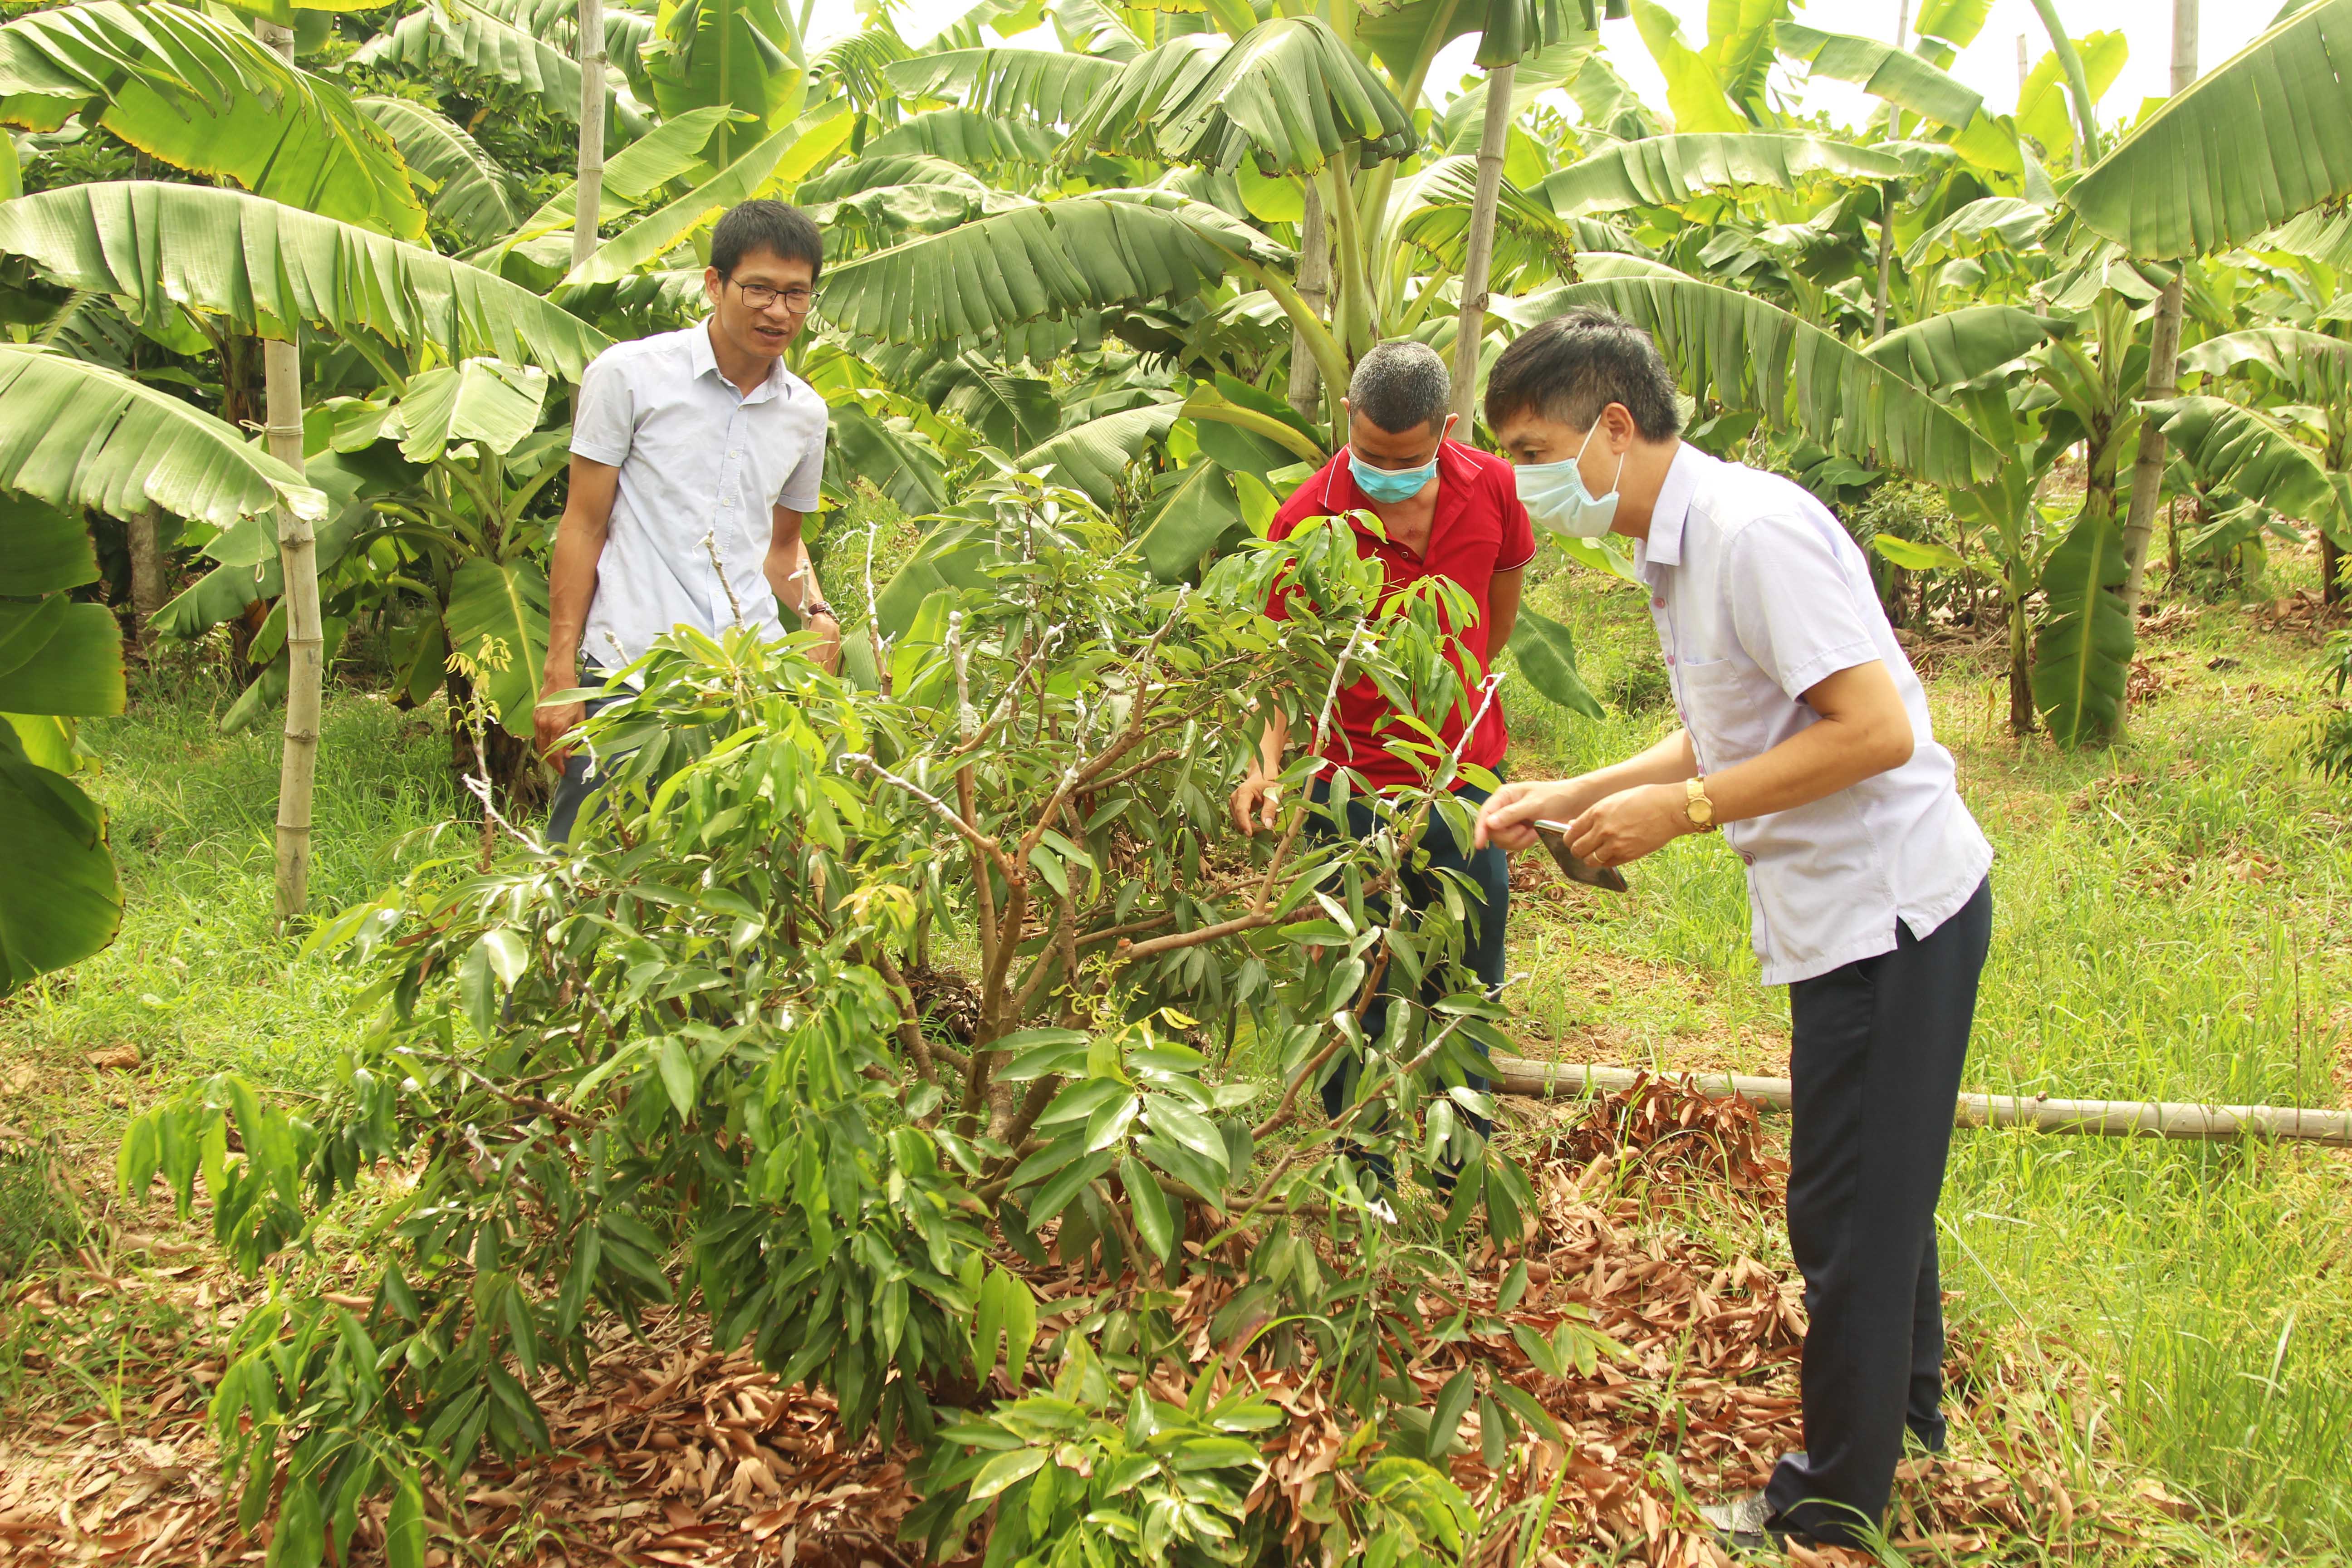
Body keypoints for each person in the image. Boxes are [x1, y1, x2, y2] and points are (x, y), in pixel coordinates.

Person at [1471, 310, 1994, 1550]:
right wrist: (1584, 789)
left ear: (1612, 428)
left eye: (1537, 447)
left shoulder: (1751, 536)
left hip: (1893, 912)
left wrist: (1685, 813)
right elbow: (1736, 723)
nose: (1531, 482)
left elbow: (1876, 731)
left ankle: (1831, 1500)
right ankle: (1909, 1418)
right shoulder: (1677, 545)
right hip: (1846, 914)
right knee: (1879, 1185)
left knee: (1849, 1211)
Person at [1230, 340, 1534, 1171]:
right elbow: (1286, 669)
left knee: (1468, 968)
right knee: (1354, 972)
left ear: (1448, 429)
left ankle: (1458, 1159)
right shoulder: (1306, 519)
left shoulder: (1496, 490)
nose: (1383, 472)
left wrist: (1448, 706)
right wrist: (1265, 764)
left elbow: (1494, 624)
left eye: (1406, 459)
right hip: (1348, 785)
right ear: (1347, 425)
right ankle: (1356, 1163)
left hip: (1463, 776)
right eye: (1368, 454)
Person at [535, 199, 841, 842]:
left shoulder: (805, 415)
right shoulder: (630, 376)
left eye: (796, 294)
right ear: (713, 283)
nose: (778, 311)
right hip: (628, 671)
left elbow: (783, 550)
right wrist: (560, 674)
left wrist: (818, 617)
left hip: (747, 682)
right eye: (758, 288)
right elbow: (582, 526)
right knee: (586, 871)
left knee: (731, 882)